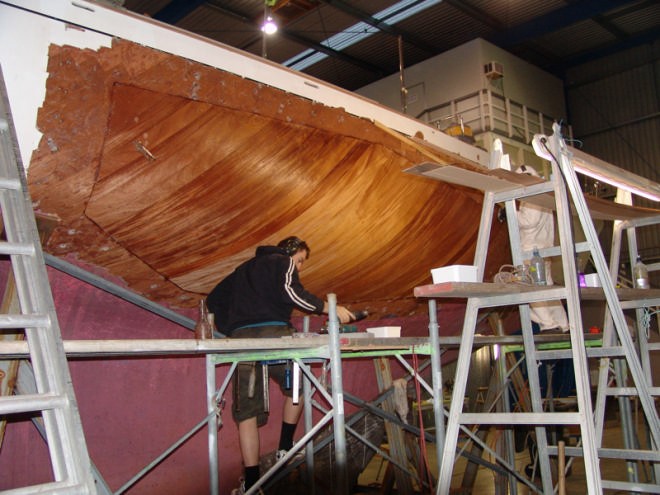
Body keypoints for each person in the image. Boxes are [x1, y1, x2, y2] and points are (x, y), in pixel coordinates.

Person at [206, 236, 355, 494]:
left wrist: (231, 327)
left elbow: (214, 299)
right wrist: (329, 308)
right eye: (301, 261)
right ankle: (285, 449)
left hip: (242, 341)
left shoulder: (242, 270)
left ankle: (252, 482)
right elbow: (291, 290)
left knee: (247, 411)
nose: (300, 267)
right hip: (274, 336)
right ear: (291, 252)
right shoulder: (282, 260)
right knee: (296, 387)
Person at [516, 165, 569, 333]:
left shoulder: (532, 194)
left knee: (531, 289)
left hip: (531, 251)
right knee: (547, 287)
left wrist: (510, 212)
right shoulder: (544, 192)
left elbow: (529, 221)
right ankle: (563, 323)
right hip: (543, 249)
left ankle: (548, 323)